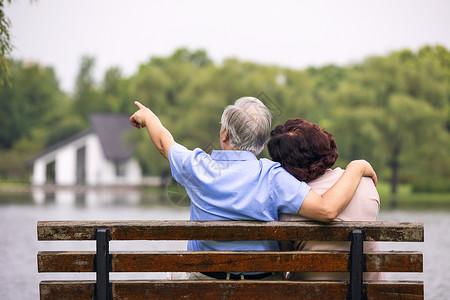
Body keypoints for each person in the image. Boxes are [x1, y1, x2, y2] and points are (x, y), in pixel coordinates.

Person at [129, 96, 377, 281]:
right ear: (262, 143)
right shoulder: (274, 177)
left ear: (224, 134)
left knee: (173, 275)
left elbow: (164, 143)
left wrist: (149, 116)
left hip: (206, 282)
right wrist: (357, 167)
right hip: (263, 286)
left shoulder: (197, 168)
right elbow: (326, 209)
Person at [267, 118, 384, 280]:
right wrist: (358, 165)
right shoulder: (366, 184)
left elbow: (283, 265)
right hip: (370, 294)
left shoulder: (293, 204)